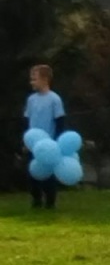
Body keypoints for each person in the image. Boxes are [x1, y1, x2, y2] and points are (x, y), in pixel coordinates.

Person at [21, 63, 66, 210]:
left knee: (48, 174)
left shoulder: (54, 99)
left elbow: (59, 121)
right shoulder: (31, 100)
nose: (32, 82)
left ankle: (50, 201)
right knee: (33, 173)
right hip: (33, 143)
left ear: (45, 79)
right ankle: (36, 200)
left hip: (48, 143)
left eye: (34, 79)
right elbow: (27, 120)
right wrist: (26, 141)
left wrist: (56, 142)